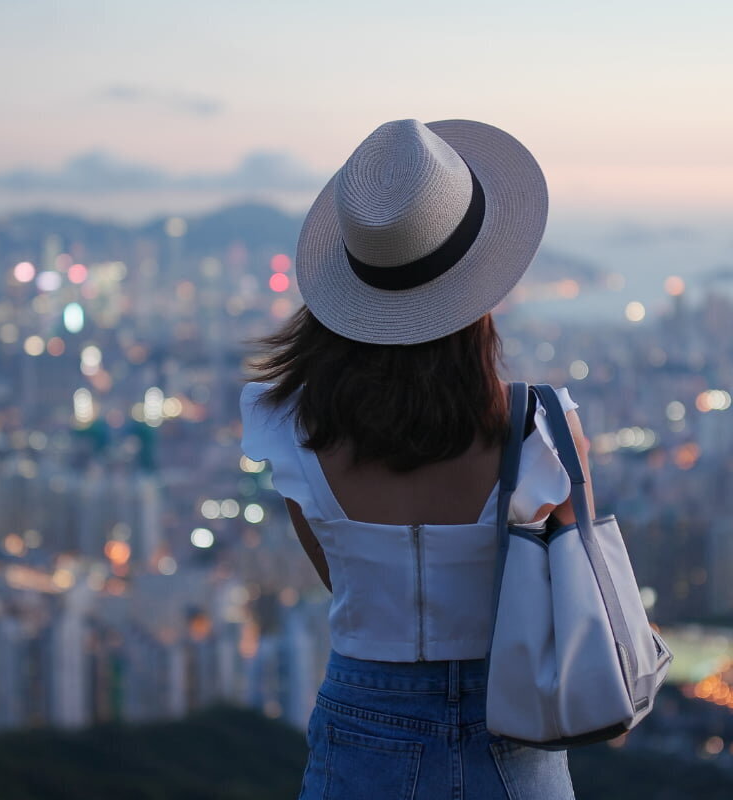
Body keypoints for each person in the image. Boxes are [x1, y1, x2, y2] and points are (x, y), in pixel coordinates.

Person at [240, 118, 594, 799]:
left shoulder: (286, 424)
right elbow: (569, 591)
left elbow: (343, 583)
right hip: (515, 736)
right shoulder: (543, 428)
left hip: (359, 734)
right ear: (481, 285)